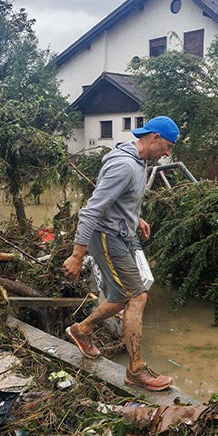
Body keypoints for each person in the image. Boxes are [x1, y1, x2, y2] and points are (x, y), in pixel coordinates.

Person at [62, 116, 179, 392]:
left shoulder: (138, 162)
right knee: (137, 295)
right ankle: (136, 370)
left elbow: (121, 199)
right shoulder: (124, 165)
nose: (167, 153)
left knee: (119, 298)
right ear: (155, 138)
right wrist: (77, 255)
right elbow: (92, 210)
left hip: (121, 233)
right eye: (167, 146)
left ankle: (81, 331)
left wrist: (135, 218)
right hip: (106, 236)